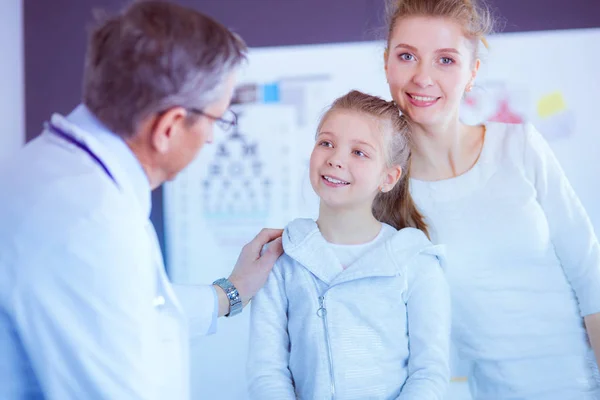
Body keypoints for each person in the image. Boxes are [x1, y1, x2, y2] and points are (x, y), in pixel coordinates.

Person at [0, 2, 283, 399]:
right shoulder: (88, 223)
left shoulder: (51, 172)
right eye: (217, 120)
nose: (213, 138)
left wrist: (230, 292)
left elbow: (132, 313)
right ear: (168, 127)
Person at [383, 0, 600, 398]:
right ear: (386, 63)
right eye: (407, 56)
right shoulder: (386, 190)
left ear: (472, 73)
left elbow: (591, 272)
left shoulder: (518, 145)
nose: (422, 77)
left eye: (445, 60)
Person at [246, 90, 451, 399]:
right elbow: (267, 371)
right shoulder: (282, 258)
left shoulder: (415, 261)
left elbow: (429, 373)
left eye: (359, 152)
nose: (336, 159)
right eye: (326, 143)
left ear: (389, 177)